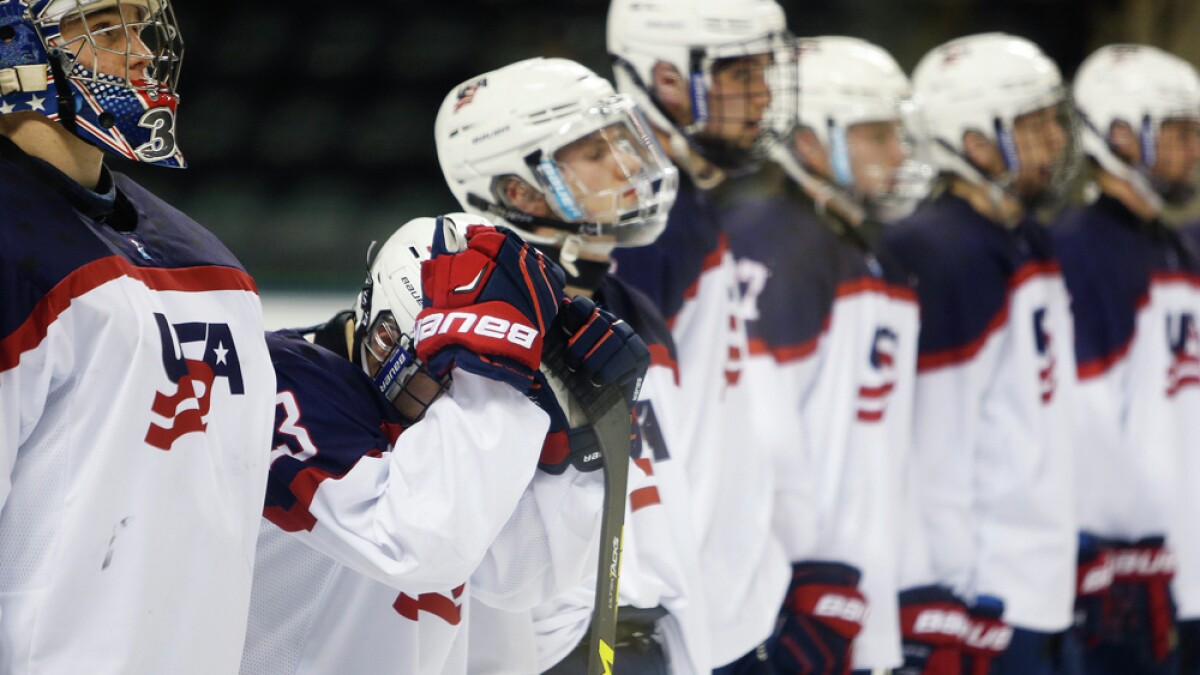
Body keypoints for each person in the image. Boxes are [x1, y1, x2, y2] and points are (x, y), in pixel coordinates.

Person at [241, 213, 650, 674]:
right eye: (442, 377)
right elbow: (419, 545)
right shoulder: (279, 377)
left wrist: (580, 449)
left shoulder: (476, 418)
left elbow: (522, 575)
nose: (446, 407)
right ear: (383, 329)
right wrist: (489, 371)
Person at [0, 0, 276, 671]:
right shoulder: (12, 248)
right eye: (106, 27)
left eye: (141, 25)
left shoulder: (201, 253)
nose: (145, 52)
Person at [435, 56, 706, 673]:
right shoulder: (478, 321)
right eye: (593, 153)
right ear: (519, 191)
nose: (630, 164)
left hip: (648, 639)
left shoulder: (627, 304)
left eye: (623, 140)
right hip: (559, 652)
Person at [877, 32, 1081, 675]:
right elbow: (931, 447)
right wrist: (937, 594)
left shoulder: (1024, 235)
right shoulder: (939, 251)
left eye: (1054, 120)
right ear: (973, 141)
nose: (1054, 141)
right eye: (1033, 124)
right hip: (980, 594)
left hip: (1036, 579)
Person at [718, 35, 923, 674]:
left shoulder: (853, 246)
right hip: (788, 594)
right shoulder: (773, 238)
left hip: (847, 590)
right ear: (808, 140)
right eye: (876, 135)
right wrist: (804, 573)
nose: (897, 154)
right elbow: (757, 427)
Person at [605, 0, 801, 669]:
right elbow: (619, 444)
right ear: (664, 78)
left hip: (718, 604)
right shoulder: (640, 220)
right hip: (684, 616)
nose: (764, 94)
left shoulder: (679, 201)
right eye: (739, 73)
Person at [1051, 44, 1200, 675]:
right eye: (1177, 132)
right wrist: (1109, 552)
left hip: (1183, 563)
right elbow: (1077, 421)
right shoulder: (1075, 252)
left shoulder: (1172, 245)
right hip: (1128, 570)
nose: (1193, 149)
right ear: (1118, 133)